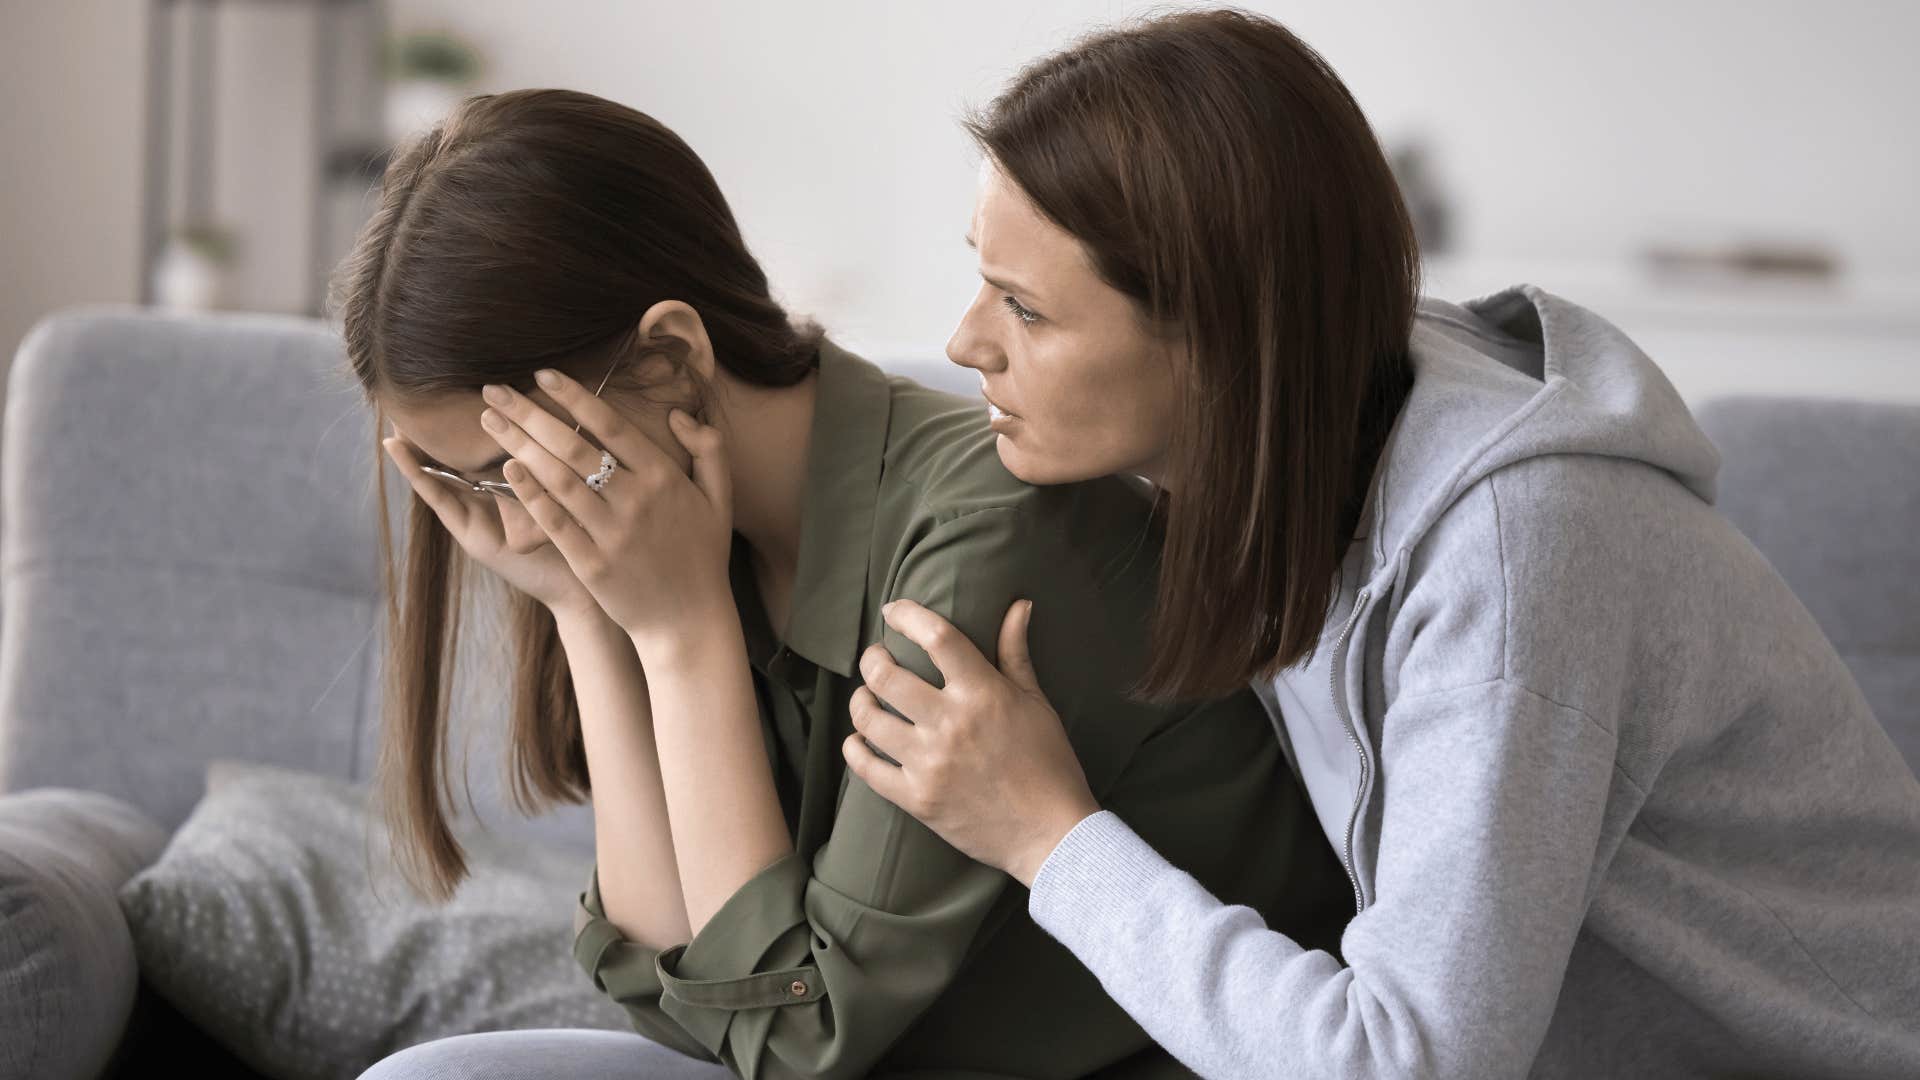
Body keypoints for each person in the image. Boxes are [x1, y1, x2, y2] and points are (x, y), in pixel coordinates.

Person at [840, 9, 1920, 1078]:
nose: (966, 340)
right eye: (983, 276)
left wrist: (1045, 835)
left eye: (1025, 309)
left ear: (1219, 336)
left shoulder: (1516, 549)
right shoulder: (1299, 436)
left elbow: (1404, 1066)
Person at [336, 87, 1353, 1080]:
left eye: (514, 469)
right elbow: (679, 1003)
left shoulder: (986, 538)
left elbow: (790, 1043)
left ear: (672, 358)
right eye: (470, 488)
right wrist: (579, 608)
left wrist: (683, 634)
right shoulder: (685, 537)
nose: (512, 520)